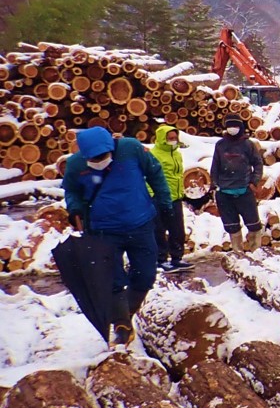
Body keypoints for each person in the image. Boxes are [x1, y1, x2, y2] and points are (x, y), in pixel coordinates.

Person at [63, 126, 172, 346]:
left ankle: (125, 313)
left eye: (103, 156)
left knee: (145, 275)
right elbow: (71, 190)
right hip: (103, 230)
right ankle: (122, 324)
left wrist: (164, 201)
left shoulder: (131, 149)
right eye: (93, 158)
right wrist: (74, 208)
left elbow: (155, 172)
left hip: (140, 224)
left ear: (111, 147)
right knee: (112, 279)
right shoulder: (76, 164)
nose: (99, 160)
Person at [209, 115, 264, 251]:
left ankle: (255, 251)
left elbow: (258, 164)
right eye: (229, 126)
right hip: (224, 193)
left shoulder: (248, 144)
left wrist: (253, 182)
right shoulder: (220, 145)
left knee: (253, 224)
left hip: (244, 191)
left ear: (241, 127)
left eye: (235, 126)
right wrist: (214, 183)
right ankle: (237, 253)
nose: (232, 129)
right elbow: (215, 166)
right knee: (232, 226)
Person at [150, 125, 192, 272]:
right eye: (170, 138)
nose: (173, 141)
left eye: (175, 138)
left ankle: (177, 257)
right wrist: (152, 194)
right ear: (162, 139)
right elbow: (148, 176)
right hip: (159, 197)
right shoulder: (154, 154)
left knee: (177, 230)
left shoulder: (177, 154)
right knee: (159, 230)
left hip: (175, 197)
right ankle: (160, 259)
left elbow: (178, 175)